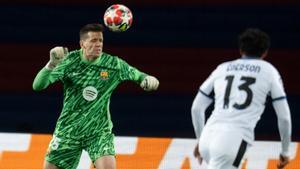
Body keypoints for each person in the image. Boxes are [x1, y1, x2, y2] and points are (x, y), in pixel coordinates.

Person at [32, 23, 159, 169]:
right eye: (93, 41)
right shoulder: (68, 61)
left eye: (101, 41)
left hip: (98, 132)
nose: (98, 44)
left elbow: (139, 75)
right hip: (68, 130)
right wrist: (51, 65)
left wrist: (147, 79)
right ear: (82, 44)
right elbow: (38, 86)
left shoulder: (113, 64)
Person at [191, 28, 292, 169]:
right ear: (265, 52)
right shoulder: (269, 71)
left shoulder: (222, 68)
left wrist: (201, 140)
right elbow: (284, 117)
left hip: (208, 137)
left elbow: (196, 108)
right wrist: (285, 151)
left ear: (240, 49)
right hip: (233, 140)